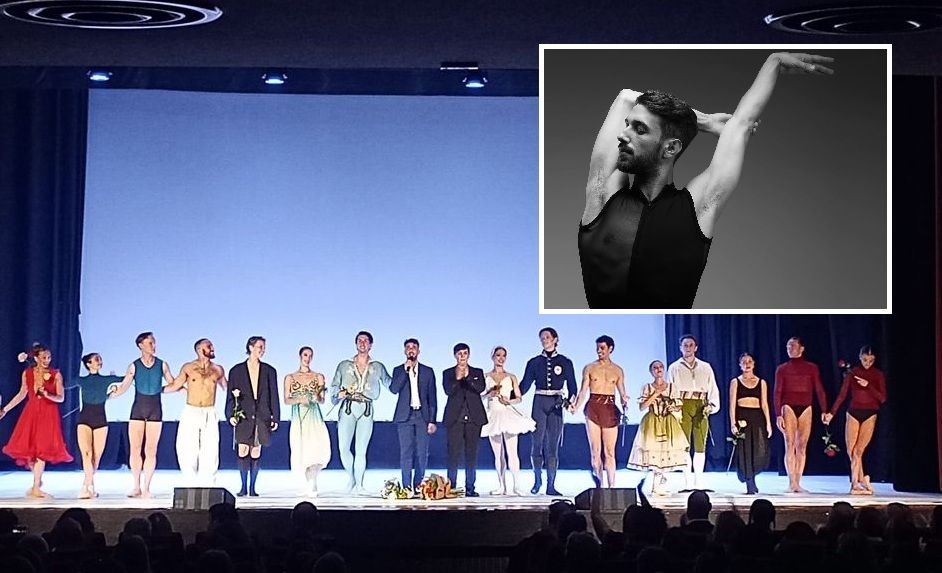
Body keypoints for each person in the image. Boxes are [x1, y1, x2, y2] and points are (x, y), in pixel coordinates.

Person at [578, 52, 834, 309]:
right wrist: (706, 121)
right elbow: (626, 97)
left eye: (639, 129)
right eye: (627, 124)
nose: (622, 135)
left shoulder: (698, 207)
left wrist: (773, 62)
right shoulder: (602, 193)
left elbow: (742, 123)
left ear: (671, 148)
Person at [0, 343, 73, 497]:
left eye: (49, 357)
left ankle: (36, 485)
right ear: (36, 358)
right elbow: (22, 394)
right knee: (30, 450)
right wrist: (5, 409)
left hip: (48, 414)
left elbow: (61, 398)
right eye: (44, 357)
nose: (47, 360)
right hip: (31, 413)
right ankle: (36, 482)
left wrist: (47, 395)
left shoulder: (55, 374)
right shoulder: (27, 373)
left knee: (42, 449)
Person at [110, 332, 177, 498]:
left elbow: (173, 383)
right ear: (141, 346)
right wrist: (108, 396)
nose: (153, 346)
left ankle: (147, 487)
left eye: (154, 342)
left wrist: (179, 389)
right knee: (135, 449)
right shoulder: (134, 366)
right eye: (150, 343)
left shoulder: (162, 364)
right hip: (138, 410)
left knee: (151, 450)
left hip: (155, 410)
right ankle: (136, 486)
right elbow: (124, 386)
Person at [329, 331, 391, 495]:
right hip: (348, 408)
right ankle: (352, 478)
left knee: (361, 449)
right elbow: (334, 386)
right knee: (343, 448)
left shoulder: (378, 366)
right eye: (359, 340)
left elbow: (391, 384)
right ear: (356, 344)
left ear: (371, 345)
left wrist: (406, 374)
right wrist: (339, 393)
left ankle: (360, 485)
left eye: (366, 341)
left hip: (366, 409)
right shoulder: (344, 365)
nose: (362, 343)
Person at [519, 327, 578, 496]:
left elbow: (573, 386)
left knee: (552, 446)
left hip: (556, 404)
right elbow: (524, 385)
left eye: (547, 337)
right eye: (542, 338)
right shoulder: (534, 362)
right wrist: (509, 395)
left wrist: (570, 402)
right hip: (539, 402)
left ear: (555, 339)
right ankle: (537, 480)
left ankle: (551, 485)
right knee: (536, 443)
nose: (544, 340)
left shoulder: (565, 362)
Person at [163, 338, 228, 488]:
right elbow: (175, 385)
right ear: (199, 349)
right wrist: (154, 391)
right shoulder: (188, 367)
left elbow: (227, 387)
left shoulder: (218, 369)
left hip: (209, 411)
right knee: (187, 447)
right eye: (209, 346)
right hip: (191, 411)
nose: (212, 348)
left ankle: (208, 484)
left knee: (211, 448)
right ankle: (190, 482)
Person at [827, 345, 886, 495]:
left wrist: (869, 385)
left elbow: (882, 398)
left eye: (871, 361)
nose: (867, 363)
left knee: (859, 450)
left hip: (870, 413)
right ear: (860, 357)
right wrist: (832, 413)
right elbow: (842, 395)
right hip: (853, 412)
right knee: (851, 450)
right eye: (865, 360)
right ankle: (860, 480)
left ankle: (856, 483)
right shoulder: (853, 373)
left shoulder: (877, 374)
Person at [572, 335, 629, 488]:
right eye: (597, 348)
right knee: (595, 450)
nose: (599, 351)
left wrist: (624, 400)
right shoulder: (590, 368)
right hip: (593, 408)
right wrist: (576, 406)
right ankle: (600, 486)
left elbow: (622, 392)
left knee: (610, 451)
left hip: (609, 409)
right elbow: (583, 390)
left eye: (602, 348)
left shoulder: (617, 370)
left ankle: (612, 486)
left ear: (610, 349)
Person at [774, 336, 829, 493]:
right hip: (788, 407)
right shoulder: (782, 369)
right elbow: (777, 392)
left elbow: (819, 389)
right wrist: (778, 414)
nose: (790, 349)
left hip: (806, 407)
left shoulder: (811, 368)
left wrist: (824, 410)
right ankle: (791, 482)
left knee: (802, 445)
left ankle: (798, 482)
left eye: (793, 346)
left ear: (801, 348)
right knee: (789, 444)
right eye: (788, 346)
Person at [226, 336, 279, 496]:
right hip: (244, 415)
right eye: (259, 347)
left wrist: (275, 417)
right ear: (250, 347)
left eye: (263, 347)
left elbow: (273, 395)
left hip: (262, 415)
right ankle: (243, 487)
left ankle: (252, 488)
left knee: (256, 449)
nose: (262, 350)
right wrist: (230, 414)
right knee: (243, 449)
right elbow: (230, 396)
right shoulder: (236, 371)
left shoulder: (269, 371)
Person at [627, 360, 688, 495]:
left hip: (667, 421)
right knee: (654, 450)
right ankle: (656, 484)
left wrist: (673, 407)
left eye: (660, 367)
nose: (658, 369)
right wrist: (655, 394)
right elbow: (642, 406)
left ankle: (660, 483)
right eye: (655, 367)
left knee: (666, 450)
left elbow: (678, 405)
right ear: (651, 371)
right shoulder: (647, 387)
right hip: (652, 422)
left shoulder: (671, 387)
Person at [667, 334, 720, 491]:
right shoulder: (674, 367)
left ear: (696, 347)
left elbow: (713, 387)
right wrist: (674, 407)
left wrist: (711, 405)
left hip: (700, 405)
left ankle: (699, 481)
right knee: (684, 445)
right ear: (680, 348)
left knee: (700, 444)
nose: (688, 348)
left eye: (691, 345)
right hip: (683, 405)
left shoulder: (705, 367)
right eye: (685, 345)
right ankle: (688, 482)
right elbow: (670, 389)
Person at [480, 346, 534, 496]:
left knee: (512, 452)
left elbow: (519, 397)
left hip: (507, 414)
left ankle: (517, 486)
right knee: (498, 454)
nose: (501, 358)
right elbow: (479, 397)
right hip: (492, 415)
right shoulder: (485, 376)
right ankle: (501, 486)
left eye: (503, 355)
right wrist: (489, 394)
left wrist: (508, 401)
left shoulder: (511, 377)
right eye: (498, 355)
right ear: (492, 357)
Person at [389, 338, 437, 494]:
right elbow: (394, 389)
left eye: (414, 347)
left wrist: (432, 420)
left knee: (422, 453)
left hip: (422, 416)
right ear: (405, 351)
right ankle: (406, 487)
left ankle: (418, 486)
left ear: (418, 350)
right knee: (406, 452)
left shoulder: (428, 371)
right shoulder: (398, 370)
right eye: (408, 347)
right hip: (405, 416)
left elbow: (432, 398)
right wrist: (405, 370)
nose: (411, 349)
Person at [76, 352, 124, 498]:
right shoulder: (82, 380)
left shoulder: (106, 379)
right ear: (88, 364)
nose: (100, 361)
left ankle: (88, 485)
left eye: (100, 359)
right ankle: (87, 487)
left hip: (100, 421)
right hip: (84, 419)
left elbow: (125, 379)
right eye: (96, 359)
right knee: (86, 454)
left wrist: (114, 392)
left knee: (96, 458)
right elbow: (63, 383)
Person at [442, 342, 487, 497]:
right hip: (455, 418)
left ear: (469, 355)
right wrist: (458, 378)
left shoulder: (477, 372)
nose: (462, 356)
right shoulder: (448, 373)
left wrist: (468, 378)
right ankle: (451, 487)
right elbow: (448, 390)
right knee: (453, 454)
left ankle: (470, 487)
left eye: (465, 353)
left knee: (471, 455)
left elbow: (480, 388)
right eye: (459, 353)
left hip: (474, 418)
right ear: (455, 355)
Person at [285, 346, 330, 496]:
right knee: (302, 449)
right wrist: (299, 399)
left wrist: (317, 397)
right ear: (300, 356)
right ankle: (310, 483)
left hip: (313, 416)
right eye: (305, 355)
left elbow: (322, 400)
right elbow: (286, 399)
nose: (308, 358)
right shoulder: (290, 377)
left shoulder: (318, 377)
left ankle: (313, 482)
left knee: (315, 448)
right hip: (298, 417)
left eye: (310, 356)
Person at [728, 352, 771, 494]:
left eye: (749, 361)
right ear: (740, 365)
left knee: (759, 449)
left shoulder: (761, 382)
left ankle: (753, 476)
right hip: (742, 417)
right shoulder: (735, 382)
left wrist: (768, 423)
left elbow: (764, 404)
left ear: (754, 364)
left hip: (757, 417)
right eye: (744, 362)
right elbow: (732, 405)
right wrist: (733, 423)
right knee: (745, 450)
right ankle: (749, 481)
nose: (747, 364)